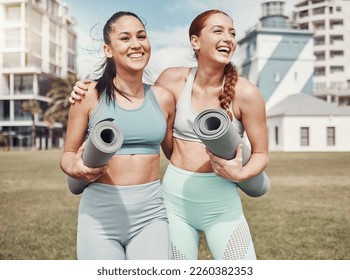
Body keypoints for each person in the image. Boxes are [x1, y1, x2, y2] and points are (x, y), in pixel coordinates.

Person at [70, 10, 268, 260]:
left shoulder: (247, 93)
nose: (228, 38)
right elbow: (143, 114)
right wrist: (85, 86)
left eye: (232, 33)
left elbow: (261, 154)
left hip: (222, 204)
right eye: (218, 31)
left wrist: (240, 173)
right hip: (174, 204)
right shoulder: (172, 80)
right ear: (195, 41)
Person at [60, 11, 175, 260]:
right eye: (125, 38)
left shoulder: (163, 98)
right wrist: (77, 169)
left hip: (151, 213)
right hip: (99, 214)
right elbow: (68, 155)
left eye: (141, 36)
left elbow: (177, 155)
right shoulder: (89, 94)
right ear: (108, 49)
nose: (136, 44)